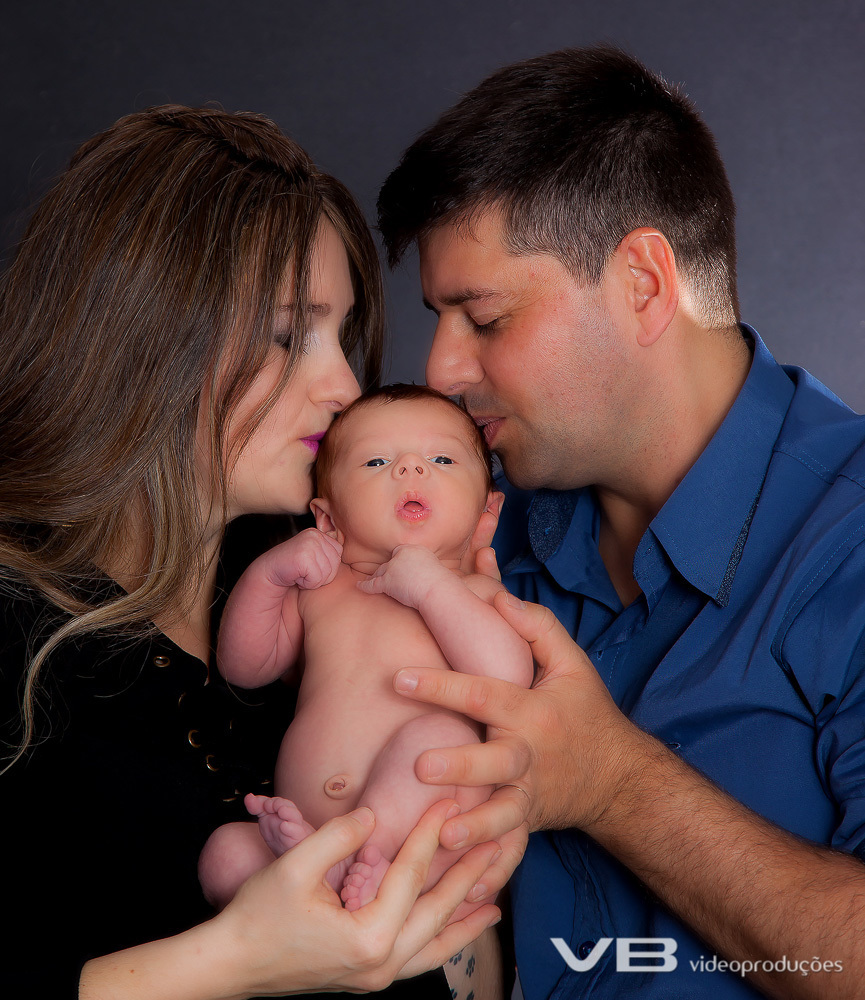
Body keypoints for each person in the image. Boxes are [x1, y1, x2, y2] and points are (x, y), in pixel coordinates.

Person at [375, 45, 865, 1000]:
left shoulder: (848, 536)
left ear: (642, 283)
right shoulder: (473, 527)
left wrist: (613, 784)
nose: (439, 371)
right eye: (435, 317)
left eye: (483, 317)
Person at [0, 105, 504, 999]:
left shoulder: (323, 584)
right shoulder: (20, 629)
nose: (343, 384)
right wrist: (235, 961)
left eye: (340, 333)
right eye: (287, 334)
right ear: (144, 336)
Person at [198, 384, 533, 912]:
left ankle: (362, 860)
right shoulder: (319, 589)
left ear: (486, 514)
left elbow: (508, 680)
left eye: (441, 459)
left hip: (420, 844)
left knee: (439, 738)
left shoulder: (471, 593)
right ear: (328, 519)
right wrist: (270, 574)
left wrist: (430, 586)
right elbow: (243, 667)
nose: (410, 469)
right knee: (223, 856)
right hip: (306, 832)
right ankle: (320, 878)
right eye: (376, 461)